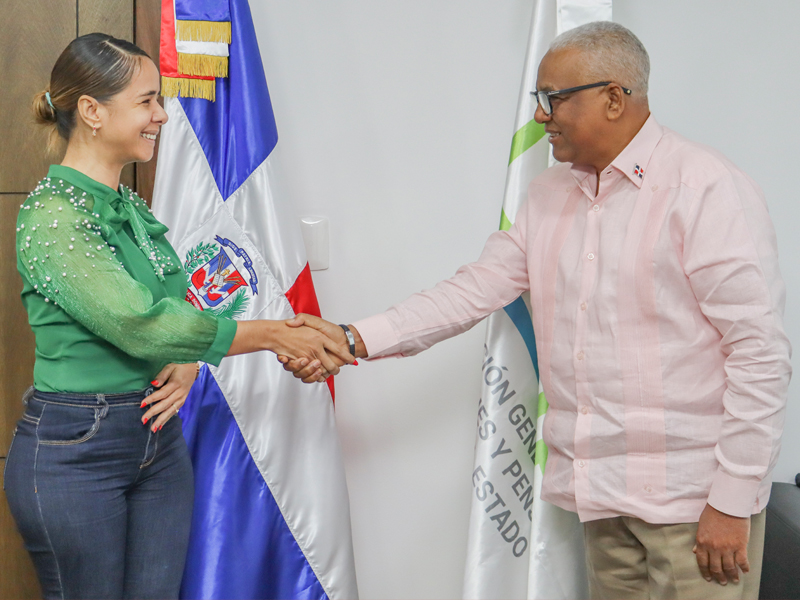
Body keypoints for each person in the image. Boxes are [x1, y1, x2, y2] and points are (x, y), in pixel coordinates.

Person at [282, 21, 792, 600]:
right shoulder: (549, 196)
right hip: (600, 499)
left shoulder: (705, 189)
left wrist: (733, 498)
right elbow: (471, 290)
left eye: (554, 99)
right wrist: (351, 338)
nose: (542, 116)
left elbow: (760, 354)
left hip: (697, 506)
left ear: (614, 98)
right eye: (539, 100)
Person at [4, 33, 352, 600]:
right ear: (92, 111)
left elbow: (176, 305)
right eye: (146, 101)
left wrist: (188, 359)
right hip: (77, 451)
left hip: (157, 440)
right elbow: (138, 322)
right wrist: (271, 334)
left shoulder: (130, 208)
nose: (162, 115)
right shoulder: (52, 217)